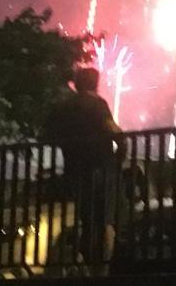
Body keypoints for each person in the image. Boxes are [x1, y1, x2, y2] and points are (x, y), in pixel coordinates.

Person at [45, 68, 122, 264]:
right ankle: (103, 268)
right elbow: (115, 132)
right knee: (105, 221)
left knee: (86, 220)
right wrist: (120, 156)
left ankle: (87, 264)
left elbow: (48, 135)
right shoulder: (98, 104)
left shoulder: (63, 107)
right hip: (102, 167)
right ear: (95, 83)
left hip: (76, 169)